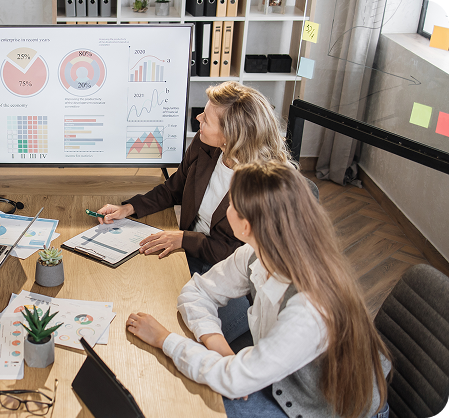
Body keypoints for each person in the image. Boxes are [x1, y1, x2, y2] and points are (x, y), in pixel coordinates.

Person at [125, 162, 390, 418]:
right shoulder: (256, 252)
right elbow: (198, 291)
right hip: (285, 375)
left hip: (322, 407)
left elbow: (234, 380)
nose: (225, 207)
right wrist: (217, 345)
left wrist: (164, 339)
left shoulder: (308, 309)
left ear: (245, 225)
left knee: (188, 404)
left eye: (231, 204)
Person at [97, 81, 292, 276]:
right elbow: (173, 189)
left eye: (206, 119)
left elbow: (241, 253)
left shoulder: (264, 184)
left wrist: (184, 239)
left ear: (229, 135)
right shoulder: (204, 145)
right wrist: (128, 208)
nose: (198, 118)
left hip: (226, 270)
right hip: (186, 248)